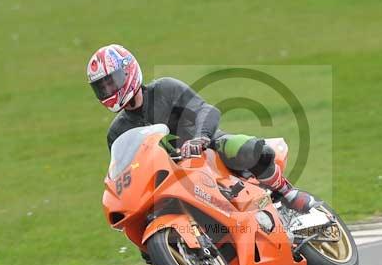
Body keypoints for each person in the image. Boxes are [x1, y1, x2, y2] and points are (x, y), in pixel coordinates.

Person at [86, 43, 318, 213]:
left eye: (111, 81)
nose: (108, 90)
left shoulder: (165, 89)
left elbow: (206, 110)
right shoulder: (117, 132)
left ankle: (287, 193)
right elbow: (126, 174)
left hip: (209, 151)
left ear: (128, 72)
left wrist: (200, 138)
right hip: (170, 179)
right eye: (102, 87)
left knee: (247, 149)